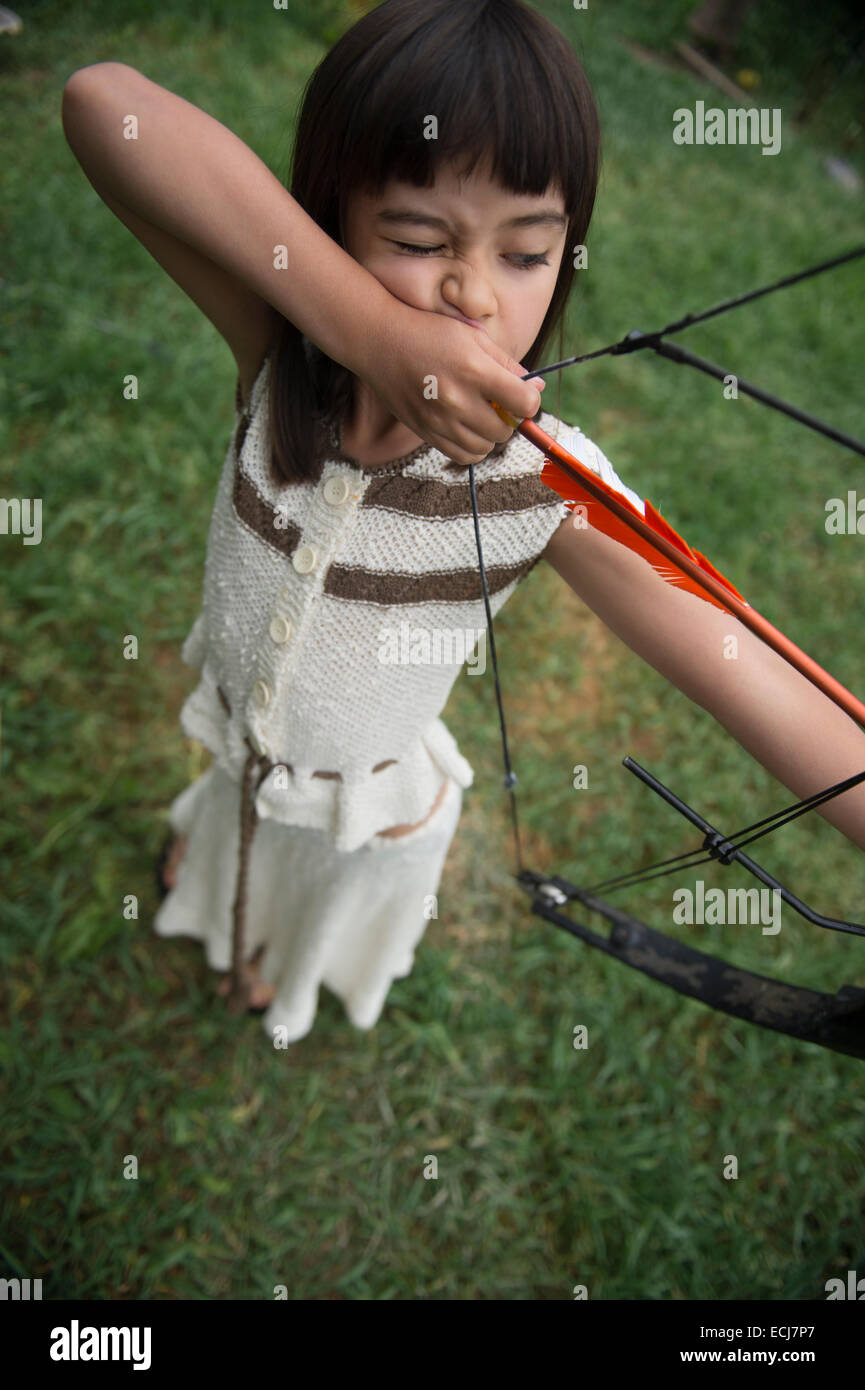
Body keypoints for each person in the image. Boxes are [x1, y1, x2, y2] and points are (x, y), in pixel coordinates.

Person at [61, 0, 865, 1044]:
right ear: (331, 220)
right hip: (249, 747)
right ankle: (219, 890)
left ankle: (279, 967)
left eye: (526, 255)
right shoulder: (278, 355)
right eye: (415, 236)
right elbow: (102, 105)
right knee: (234, 816)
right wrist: (370, 330)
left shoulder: (550, 486)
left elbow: (744, 668)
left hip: (368, 806)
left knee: (312, 901)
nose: (472, 292)